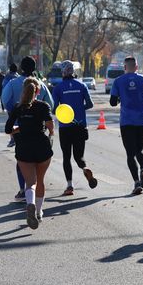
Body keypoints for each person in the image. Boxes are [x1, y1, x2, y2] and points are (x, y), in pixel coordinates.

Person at [2, 56, 53, 201]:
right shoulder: (40, 85)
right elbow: (50, 103)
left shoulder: (13, 83)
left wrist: (16, 113)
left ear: (21, 68)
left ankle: (23, 189)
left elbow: (4, 100)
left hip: (20, 126)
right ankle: (34, 194)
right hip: (38, 128)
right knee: (38, 160)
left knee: (22, 159)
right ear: (35, 68)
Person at [5, 77, 54, 229]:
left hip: (23, 148)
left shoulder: (17, 108)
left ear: (23, 90)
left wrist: (21, 128)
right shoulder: (43, 106)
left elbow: (8, 129)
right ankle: (38, 212)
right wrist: (51, 133)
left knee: (30, 183)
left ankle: (30, 204)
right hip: (42, 147)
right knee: (40, 180)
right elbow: (49, 125)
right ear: (37, 91)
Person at [109, 56, 143, 195]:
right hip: (142, 120)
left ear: (125, 68)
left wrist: (120, 99)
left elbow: (112, 102)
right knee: (139, 149)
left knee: (130, 154)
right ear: (136, 67)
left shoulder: (118, 81)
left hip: (127, 121)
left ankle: (137, 183)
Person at [52, 60, 97, 195]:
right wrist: (79, 109)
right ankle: (85, 168)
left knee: (66, 157)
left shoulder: (58, 88)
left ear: (63, 72)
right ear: (74, 71)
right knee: (79, 157)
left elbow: (55, 109)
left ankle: (70, 186)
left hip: (66, 127)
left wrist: (65, 112)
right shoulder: (82, 85)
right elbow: (90, 104)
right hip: (80, 126)